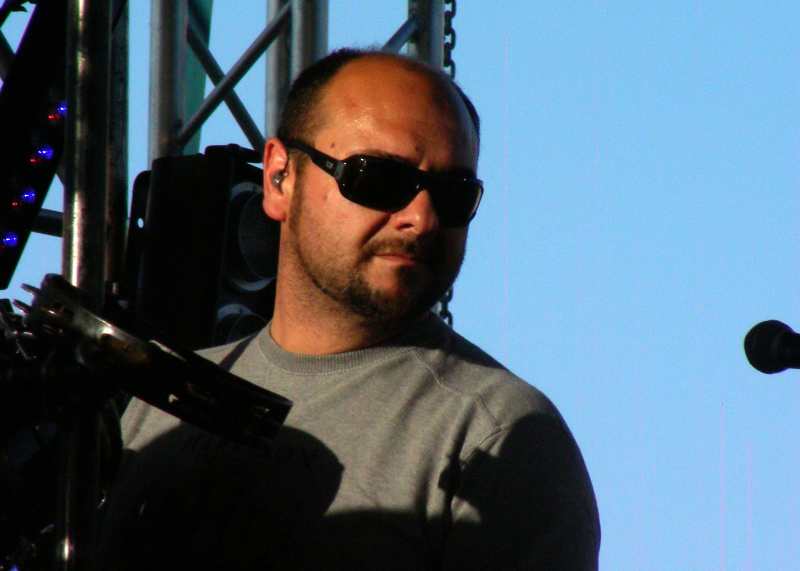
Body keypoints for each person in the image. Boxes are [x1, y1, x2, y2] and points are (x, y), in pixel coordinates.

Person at [98, 49, 600, 569]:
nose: (422, 218)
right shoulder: (160, 403)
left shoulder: (498, 434)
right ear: (279, 178)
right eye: (378, 178)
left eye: (453, 194)